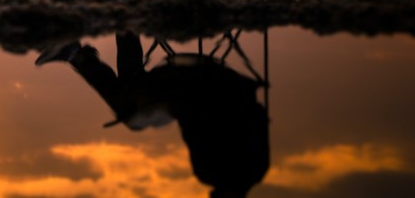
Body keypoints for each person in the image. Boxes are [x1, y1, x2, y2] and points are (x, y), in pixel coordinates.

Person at [36, 32, 271, 196]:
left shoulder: (232, 173)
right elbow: (230, 117)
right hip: (205, 85)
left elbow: (194, 125)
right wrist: (173, 107)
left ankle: (95, 44)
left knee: (132, 108)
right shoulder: (232, 171)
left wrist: (170, 108)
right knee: (130, 106)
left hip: (204, 88)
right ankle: (82, 52)